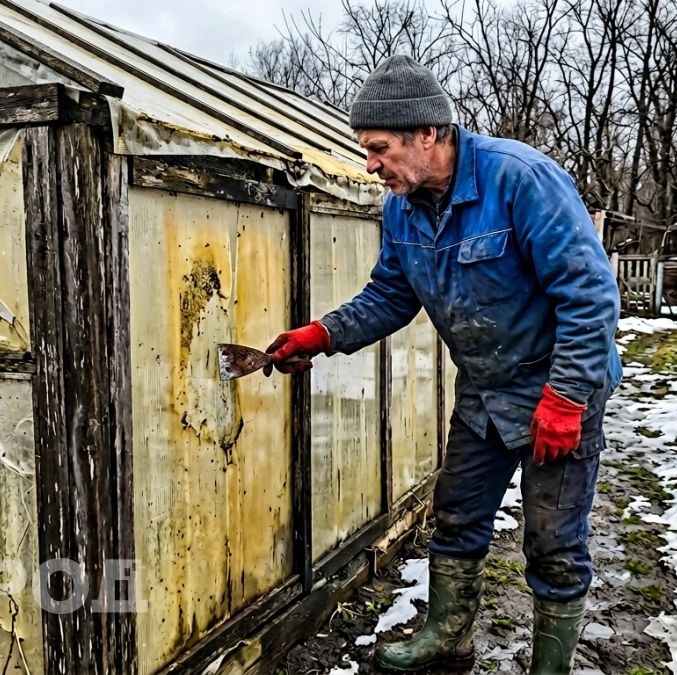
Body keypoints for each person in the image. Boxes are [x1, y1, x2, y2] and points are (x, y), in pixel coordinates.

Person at [265, 55, 622, 674]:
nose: (370, 165)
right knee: (456, 518)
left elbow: (589, 295)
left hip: (559, 388)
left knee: (554, 543)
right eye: (366, 150)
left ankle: (550, 668)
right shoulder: (402, 207)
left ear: (427, 134)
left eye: (379, 149)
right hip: (484, 391)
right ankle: (448, 635)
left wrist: (567, 398)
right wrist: (321, 335)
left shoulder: (520, 181)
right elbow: (390, 295)